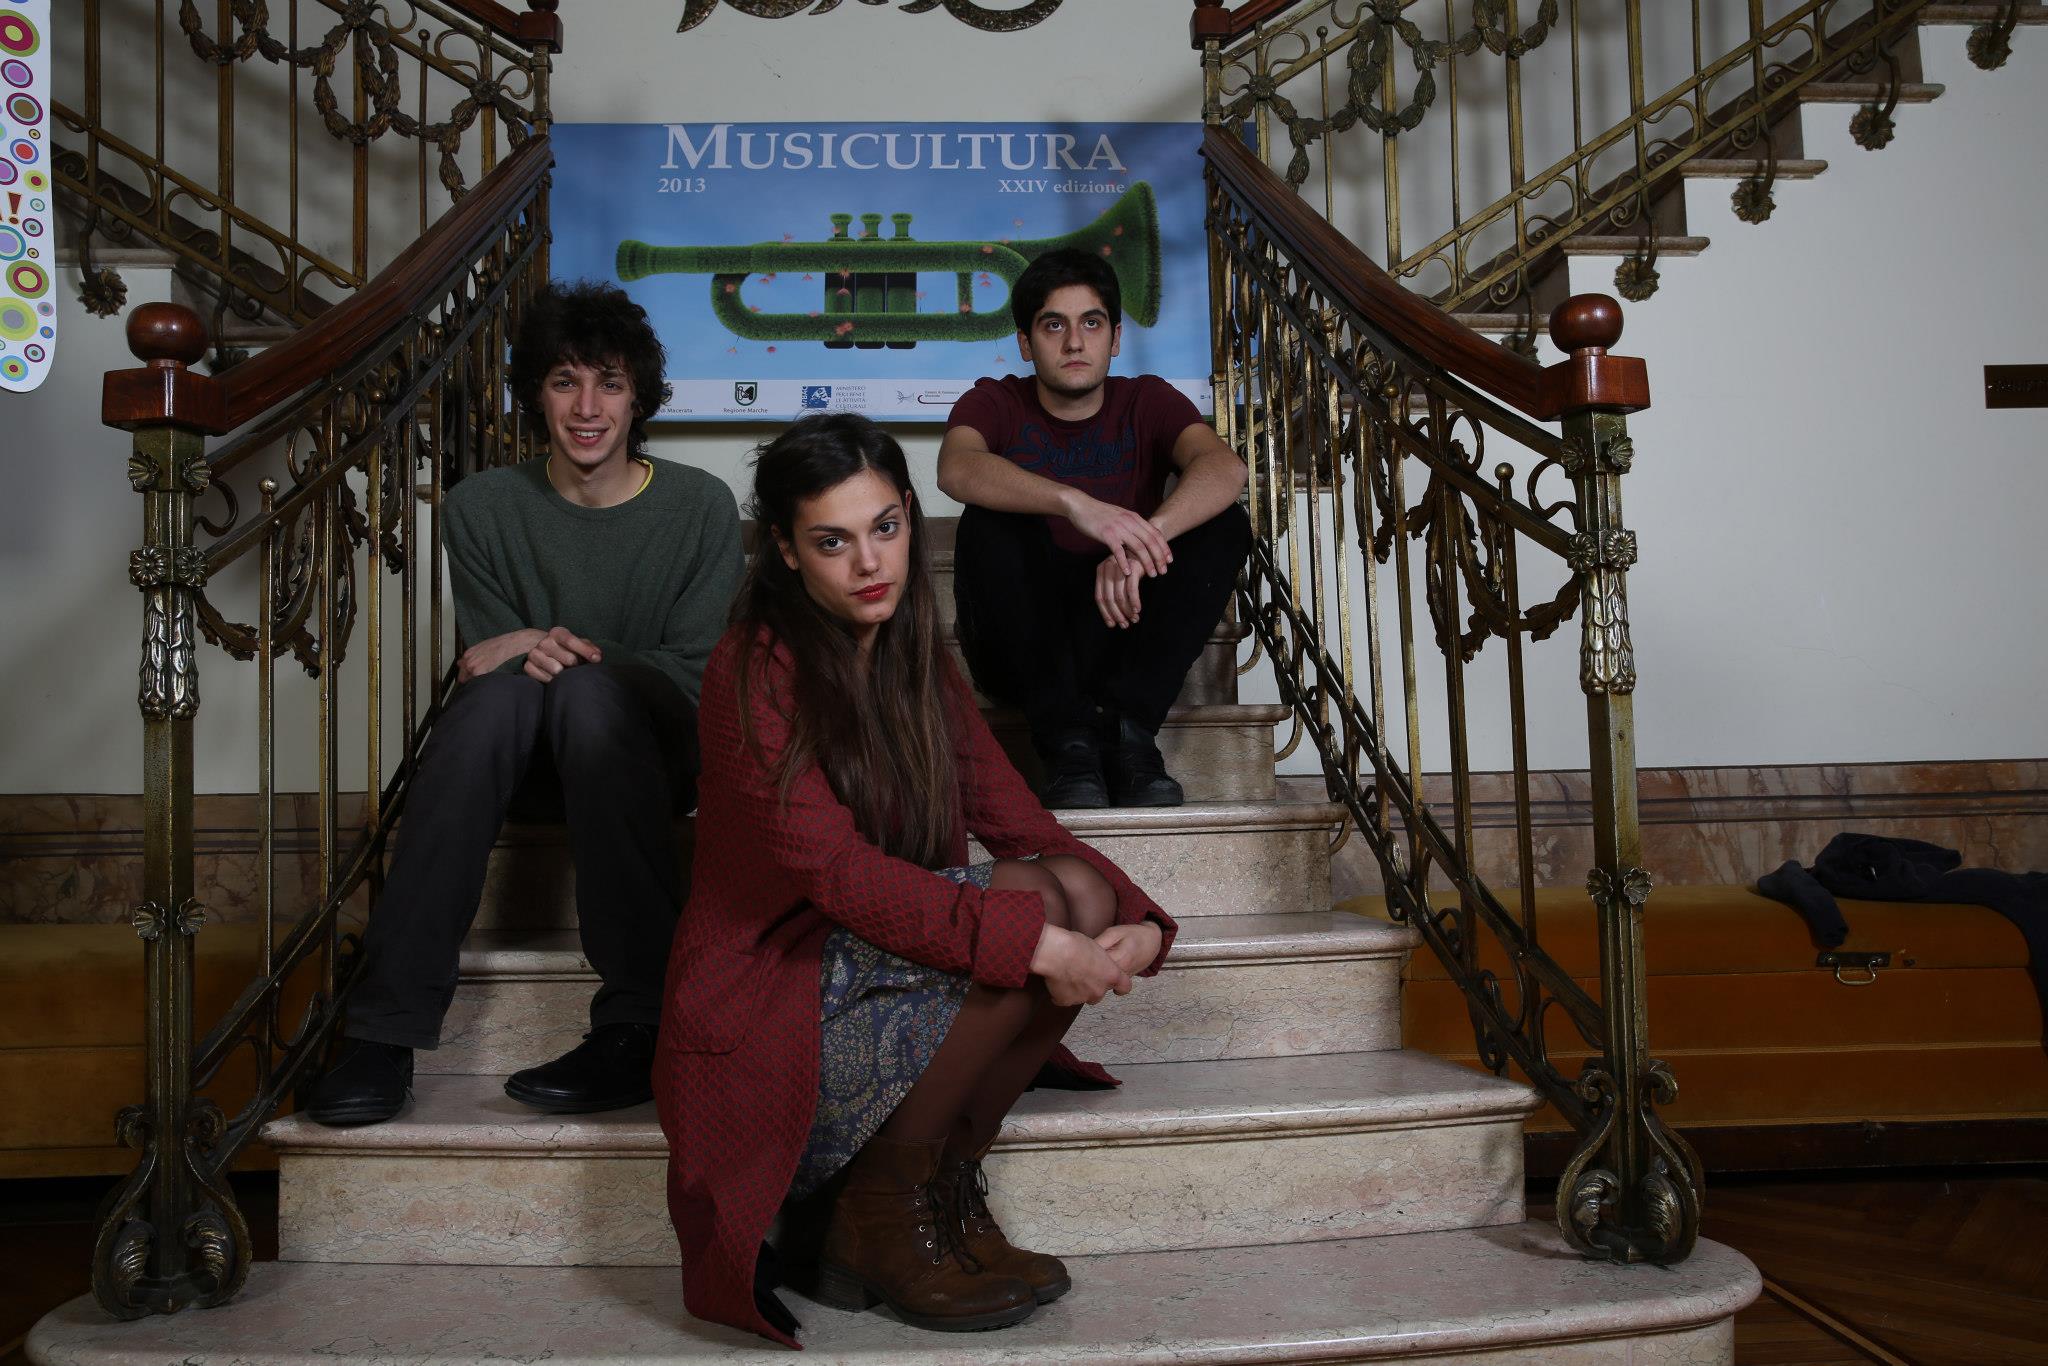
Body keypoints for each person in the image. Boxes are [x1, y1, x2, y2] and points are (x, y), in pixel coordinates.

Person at [657, 413, 1176, 1345]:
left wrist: (1142, 919)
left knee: (1078, 891)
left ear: (907, 514)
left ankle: (941, 1189)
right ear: (785, 550)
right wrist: (1034, 942)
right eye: (832, 541)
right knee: (1026, 908)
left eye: (886, 528)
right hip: (772, 994)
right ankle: (872, 1215)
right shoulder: (751, 668)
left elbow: (1021, 822)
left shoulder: (913, 658)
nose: (870, 563)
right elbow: (837, 873)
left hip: (871, 960)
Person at [304, 281, 745, 1126]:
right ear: (536, 394)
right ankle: (382, 1032)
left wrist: (554, 642)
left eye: (610, 383)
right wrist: (534, 652)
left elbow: (698, 673)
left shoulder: (698, 505)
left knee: (581, 691)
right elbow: (492, 667)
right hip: (529, 759)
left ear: (639, 397)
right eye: (564, 381)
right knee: (490, 709)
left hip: (653, 755)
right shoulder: (482, 509)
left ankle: (640, 1022)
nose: (587, 408)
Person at [937, 246, 1251, 809]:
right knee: (989, 521)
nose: (1075, 343)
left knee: (1223, 522)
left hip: (1122, 629)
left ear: (1115, 337)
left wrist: (1140, 542)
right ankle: (1067, 744)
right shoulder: (995, 401)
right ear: (1026, 343)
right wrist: (1074, 504)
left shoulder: (1147, 399)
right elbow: (956, 468)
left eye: (1091, 323)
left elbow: (1225, 468)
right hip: (1023, 643)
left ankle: (1131, 738)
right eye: (1053, 325)